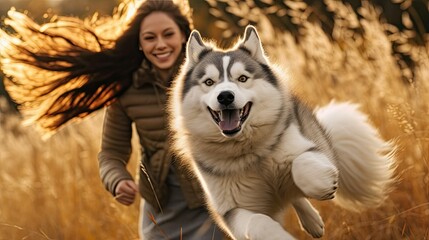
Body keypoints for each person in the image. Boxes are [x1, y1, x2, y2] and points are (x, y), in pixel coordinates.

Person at [0, 0, 224, 239]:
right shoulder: (127, 91)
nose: (160, 44)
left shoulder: (216, 77)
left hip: (212, 204)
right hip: (160, 208)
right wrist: (117, 180)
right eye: (149, 38)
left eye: (168, 34)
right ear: (139, 43)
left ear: (185, 37)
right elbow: (111, 153)